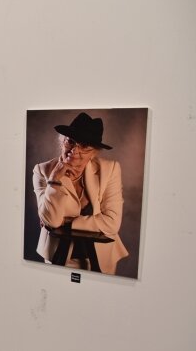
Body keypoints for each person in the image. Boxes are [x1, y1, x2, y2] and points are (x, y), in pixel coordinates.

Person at [32, 112, 128, 274]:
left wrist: (68, 223)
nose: (74, 151)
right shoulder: (42, 171)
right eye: (70, 141)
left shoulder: (110, 169)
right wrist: (55, 179)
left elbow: (112, 222)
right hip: (58, 256)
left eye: (84, 146)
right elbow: (52, 221)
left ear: (94, 152)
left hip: (100, 258)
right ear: (62, 141)